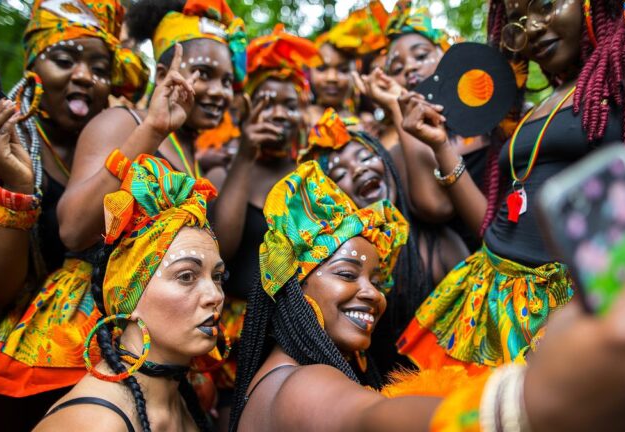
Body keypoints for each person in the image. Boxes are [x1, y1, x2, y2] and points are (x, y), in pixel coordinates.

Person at [229, 160, 625, 432]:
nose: (371, 294)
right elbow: (370, 419)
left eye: (378, 280)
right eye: (347, 273)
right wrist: (543, 400)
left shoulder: (278, 379)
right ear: (292, 284)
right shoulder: (300, 387)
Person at [395, 0, 625, 372]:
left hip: (569, 313)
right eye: (517, 21)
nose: (532, 28)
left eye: (545, 5)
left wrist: (574, 324)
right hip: (485, 301)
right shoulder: (540, 106)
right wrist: (440, 144)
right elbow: (493, 229)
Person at [0, 1, 148, 428]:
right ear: (33, 64)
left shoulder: (124, 141)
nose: (85, 76)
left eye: (100, 68)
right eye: (64, 60)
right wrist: (16, 191)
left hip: (92, 349)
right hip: (6, 361)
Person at [33, 153, 223, 432]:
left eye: (218, 277)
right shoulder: (95, 423)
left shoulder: (183, 400)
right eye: (186, 276)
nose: (215, 295)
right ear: (127, 296)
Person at [58, 0, 247, 252]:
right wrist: (152, 131)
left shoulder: (189, 149)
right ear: (161, 76)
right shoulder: (122, 122)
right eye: (202, 73)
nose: (218, 92)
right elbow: (73, 230)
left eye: (226, 81)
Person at [299, 108, 468, 375]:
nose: (358, 170)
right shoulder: (336, 270)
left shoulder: (439, 244)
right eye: (339, 174)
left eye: (366, 156)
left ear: (387, 163)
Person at [210, 24, 317, 425]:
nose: (277, 113)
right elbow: (222, 249)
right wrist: (245, 155)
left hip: (290, 331)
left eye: (289, 104)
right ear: (246, 109)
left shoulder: (312, 179)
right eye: (266, 102)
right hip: (230, 333)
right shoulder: (223, 172)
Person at [355, 2, 500, 252]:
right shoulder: (398, 148)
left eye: (421, 56)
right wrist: (397, 105)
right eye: (397, 69)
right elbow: (436, 207)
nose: (410, 67)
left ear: (444, 55)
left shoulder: (492, 115)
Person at [307, 1, 389, 126]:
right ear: (309, 71)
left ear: (356, 74)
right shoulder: (300, 120)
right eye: (322, 68)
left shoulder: (366, 125)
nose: (332, 78)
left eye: (343, 70)